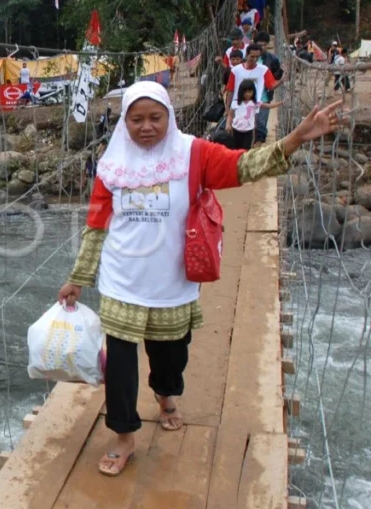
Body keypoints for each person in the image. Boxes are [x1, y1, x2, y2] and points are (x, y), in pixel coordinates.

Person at [58, 81, 344, 476]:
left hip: (173, 282)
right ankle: (124, 436)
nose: (146, 126)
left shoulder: (193, 154)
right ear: (124, 122)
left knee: (171, 355)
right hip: (121, 279)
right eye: (136, 119)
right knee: (120, 364)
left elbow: (242, 166)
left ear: (169, 117)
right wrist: (78, 278)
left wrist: (294, 139)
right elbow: (97, 225)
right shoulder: (112, 165)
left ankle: (165, 392)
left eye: (155, 118)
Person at [225, 44, 283, 118]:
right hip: (239, 107)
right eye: (252, 56)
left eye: (257, 57)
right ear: (247, 54)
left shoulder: (264, 70)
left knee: (258, 128)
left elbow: (270, 86)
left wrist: (282, 80)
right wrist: (227, 108)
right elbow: (230, 90)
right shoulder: (235, 71)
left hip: (257, 106)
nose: (255, 59)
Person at [225, 79, 281, 151]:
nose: (248, 94)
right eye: (245, 92)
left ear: (253, 92)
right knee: (236, 149)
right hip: (236, 130)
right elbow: (230, 115)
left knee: (246, 150)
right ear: (241, 92)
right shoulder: (236, 103)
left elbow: (268, 106)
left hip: (249, 131)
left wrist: (280, 103)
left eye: (250, 92)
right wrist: (228, 124)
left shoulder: (254, 103)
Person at [251, 31, 283, 145]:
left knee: (260, 124)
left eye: (265, 45)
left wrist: (281, 74)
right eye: (260, 45)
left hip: (264, 96)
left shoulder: (273, 60)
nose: (262, 47)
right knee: (248, 124)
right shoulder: (249, 58)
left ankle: (258, 148)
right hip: (247, 97)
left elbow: (276, 76)